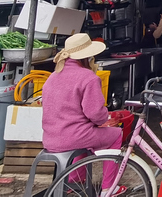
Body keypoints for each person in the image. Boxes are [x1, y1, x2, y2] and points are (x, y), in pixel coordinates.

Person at [42, 33, 126, 197]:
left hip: (50, 138)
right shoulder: (88, 77)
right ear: (87, 56)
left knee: (85, 135)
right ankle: (110, 188)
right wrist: (104, 119)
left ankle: (75, 180)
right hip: (74, 137)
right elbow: (95, 114)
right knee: (116, 134)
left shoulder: (52, 77)